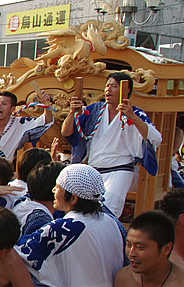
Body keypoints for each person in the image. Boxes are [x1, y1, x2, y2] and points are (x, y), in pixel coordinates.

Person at [62, 71, 163, 217]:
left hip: (120, 171)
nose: (108, 89)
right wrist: (72, 112)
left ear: (125, 90)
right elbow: (67, 132)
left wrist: (132, 117)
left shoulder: (135, 114)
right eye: (107, 85)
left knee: (109, 211)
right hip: (94, 170)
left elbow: (155, 138)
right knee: (82, 211)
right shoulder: (94, 110)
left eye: (114, 86)